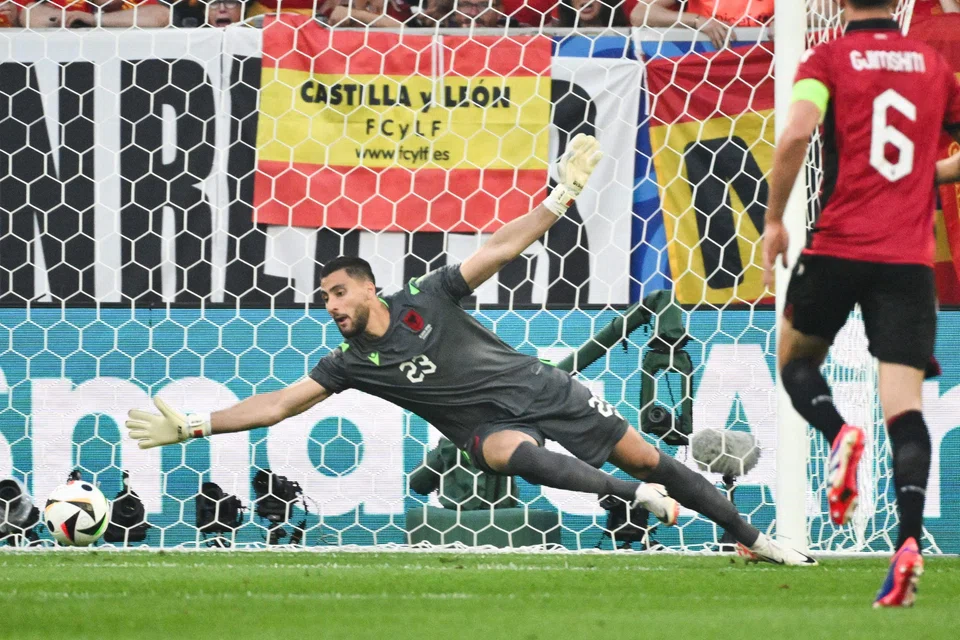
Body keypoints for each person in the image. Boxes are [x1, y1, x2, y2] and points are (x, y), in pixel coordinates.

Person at [127, 133, 815, 567]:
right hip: (486, 427)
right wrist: (194, 424)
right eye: (324, 300)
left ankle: (753, 537)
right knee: (506, 455)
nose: (332, 307)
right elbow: (279, 404)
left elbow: (498, 247)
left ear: (369, 287)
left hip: (542, 389)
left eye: (339, 292)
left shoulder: (427, 297)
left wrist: (560, 196)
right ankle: (633, 496)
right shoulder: (348, 364)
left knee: (653, 455)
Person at [762, 0, 960, 607]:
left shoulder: (827, 59)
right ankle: (906, 544)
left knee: (795, 361)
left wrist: (774, 220)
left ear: (842, 4)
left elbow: (796, 131)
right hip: (906, 261)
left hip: (839, 246)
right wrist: (924, 179)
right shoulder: (933, 66)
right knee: (904, 409)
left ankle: (840, 431)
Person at [22, 0, 170, 27]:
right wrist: (68, 19)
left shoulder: (134, 2)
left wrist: (93, 20)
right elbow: (30, 15)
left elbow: (162, 16)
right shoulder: (73, 3)